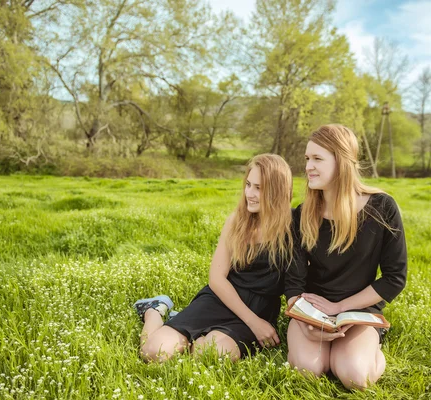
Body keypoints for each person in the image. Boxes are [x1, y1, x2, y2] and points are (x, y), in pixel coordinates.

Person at [135, 154, 295, 362]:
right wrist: (253, 322)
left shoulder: (292, 228)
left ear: (277, 191)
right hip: (221, 299)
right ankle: (153, 310)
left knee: (210, 356)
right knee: (154, 352)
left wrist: (258, 321)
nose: (249, 193)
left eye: (259, 188)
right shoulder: (237, 221)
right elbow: (217, 279)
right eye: (248, 184)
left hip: (260, 308)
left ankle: (191, 333)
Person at [284, 124, 407, 390]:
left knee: (355, 377)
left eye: (317, 159)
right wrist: (305, 319)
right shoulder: (302, 214)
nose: (308, 166)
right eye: (307, 158)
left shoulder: (382, 207)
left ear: (342, 162)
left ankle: (369, 347)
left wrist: (340, 308)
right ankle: (320, 346)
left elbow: (394, 278)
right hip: (312, 310)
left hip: (359, 311)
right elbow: (293, 281)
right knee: (308, 371)